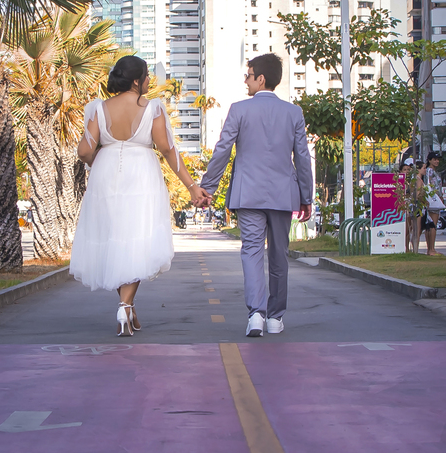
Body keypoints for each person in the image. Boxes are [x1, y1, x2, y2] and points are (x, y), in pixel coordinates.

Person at [71, 55, 206, 336]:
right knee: (138, 238)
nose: (149, 81)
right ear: (136, 81)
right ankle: (124, 304)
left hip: (106, 173)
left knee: (116, 238)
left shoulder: (99, 109)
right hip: (141, 175)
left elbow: (84, 151)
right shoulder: (152, 109)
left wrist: (98, 161)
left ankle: (128, 308)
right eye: (146, 76)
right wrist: (192, 187)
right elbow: (168, 150)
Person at [198, 53, 313, 338]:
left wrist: (208, 187)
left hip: (248, 194)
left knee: (251, 253)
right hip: (283, 195)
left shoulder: (239, 110)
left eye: (248, 76)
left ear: (260, 78)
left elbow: (222, 150)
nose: (245, 81)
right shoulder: (293, 112)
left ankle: (256, 315)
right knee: (279, 255)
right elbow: (302, 158)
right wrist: (306, 196)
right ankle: (275, 317)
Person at [424, 153, 444, 255]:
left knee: (430, 225)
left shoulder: (433, 171)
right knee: (433, 225)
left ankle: (431, 248)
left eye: (437, 160)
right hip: (433, 199)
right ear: (429, 160)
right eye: (434, 159)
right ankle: (431, 249)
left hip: (435, 199)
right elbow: (430, 186)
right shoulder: (429, 171)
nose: (437, 161)